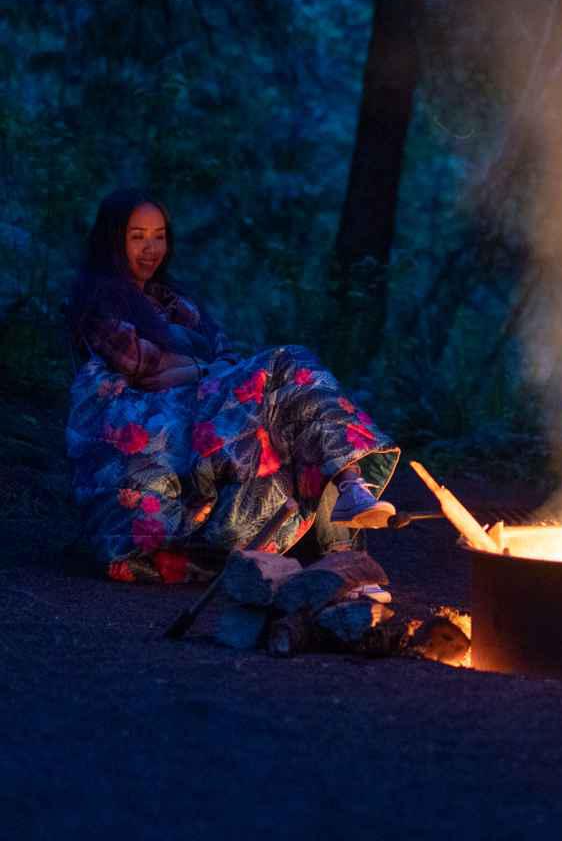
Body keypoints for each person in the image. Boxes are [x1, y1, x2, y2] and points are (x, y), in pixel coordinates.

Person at [66, 188, 401, 583]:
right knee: (288, 363)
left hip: (199, 402)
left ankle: (347, 521)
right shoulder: (99, 300)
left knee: (295, 412)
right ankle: (351, 488)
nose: (151, 248)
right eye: (137, 236)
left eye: (159, 236)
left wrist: (197, 368)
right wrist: (203, 368)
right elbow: (144, 367)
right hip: (151, 419)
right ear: (113, 239)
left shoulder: (174, 301)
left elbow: (223, 353)